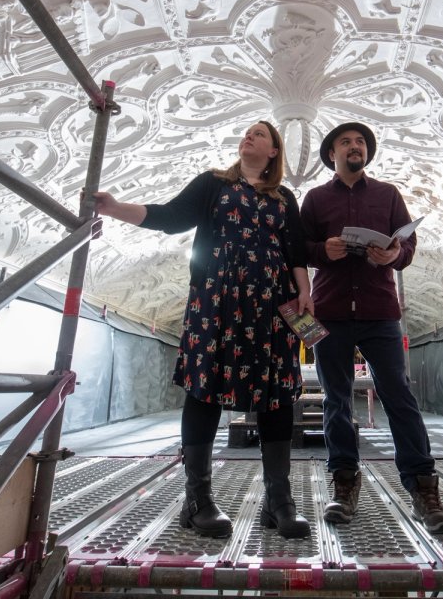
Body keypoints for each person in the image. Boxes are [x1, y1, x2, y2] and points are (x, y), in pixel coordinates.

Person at [93, 120, 313, 539]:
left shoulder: (284, 197)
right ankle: (198, 500)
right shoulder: (213, 183)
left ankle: (278, 501)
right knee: (205, 388)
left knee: (276, 394)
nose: (249, 136)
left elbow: (295, 249)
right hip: (217, 301)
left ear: (273, 152)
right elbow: (170, 217)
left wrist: (305, 291)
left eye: (260, 134)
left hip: (270, 305)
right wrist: (114, 207)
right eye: (246, 131)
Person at [299, 121, 443, 534]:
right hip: (330, 312)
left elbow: (407, 246)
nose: (356, 146)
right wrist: (323, 249)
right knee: (336, 401)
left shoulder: (388, 194)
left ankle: (424, 489)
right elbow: (297, 249)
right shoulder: (315, 199)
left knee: (399, 396)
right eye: (346, 142)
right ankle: (345, 484)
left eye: (361, 142)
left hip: (381, 312)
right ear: (331, 154)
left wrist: (393, 256)